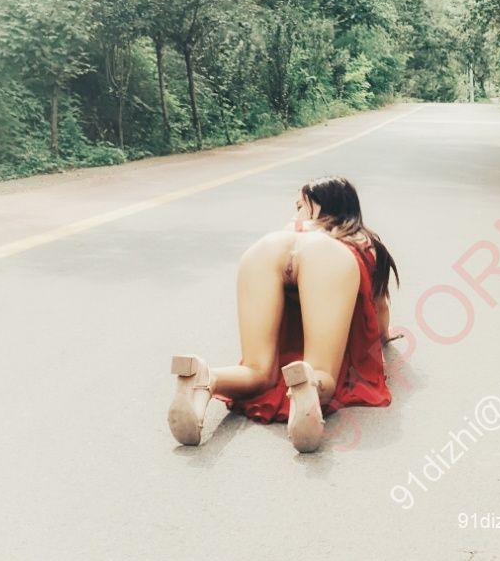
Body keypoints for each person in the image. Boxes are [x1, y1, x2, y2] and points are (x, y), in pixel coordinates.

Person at [168, 175, 404, 453]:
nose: (297, 213)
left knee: (256, 370)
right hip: (325, 257)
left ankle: (205, 378)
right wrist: (383, 335)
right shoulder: (361, 240)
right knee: (320, 372)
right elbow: (379, 305)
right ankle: (307, 388)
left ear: (324, 207)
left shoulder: (287, 232)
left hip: (267, 249)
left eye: (301, 206)